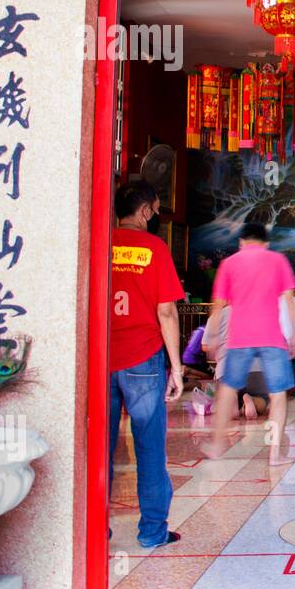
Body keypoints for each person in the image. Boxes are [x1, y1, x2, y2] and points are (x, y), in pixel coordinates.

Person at [109, 180, 185, 548]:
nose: (156, 217)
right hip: (143, 359)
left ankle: (95, 530)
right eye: (156, 210)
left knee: (100, 448)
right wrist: (178, 368)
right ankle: (152, 532)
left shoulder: (99, 244)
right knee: (150, 448)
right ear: (144, 212)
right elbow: (166, 310)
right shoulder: (153, 247)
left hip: (102, 360)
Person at [204, 222, 295, 464]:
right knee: (278, 395)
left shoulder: (229, 263)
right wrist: (294, 337)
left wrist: (214, 337)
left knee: (228, 390)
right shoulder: (278, 260)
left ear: (241, 242)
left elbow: (217, 305)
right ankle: (274, 453)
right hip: (272, 337)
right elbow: (289, 302)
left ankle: (216, 446)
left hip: (239, 338)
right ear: (266, 243)